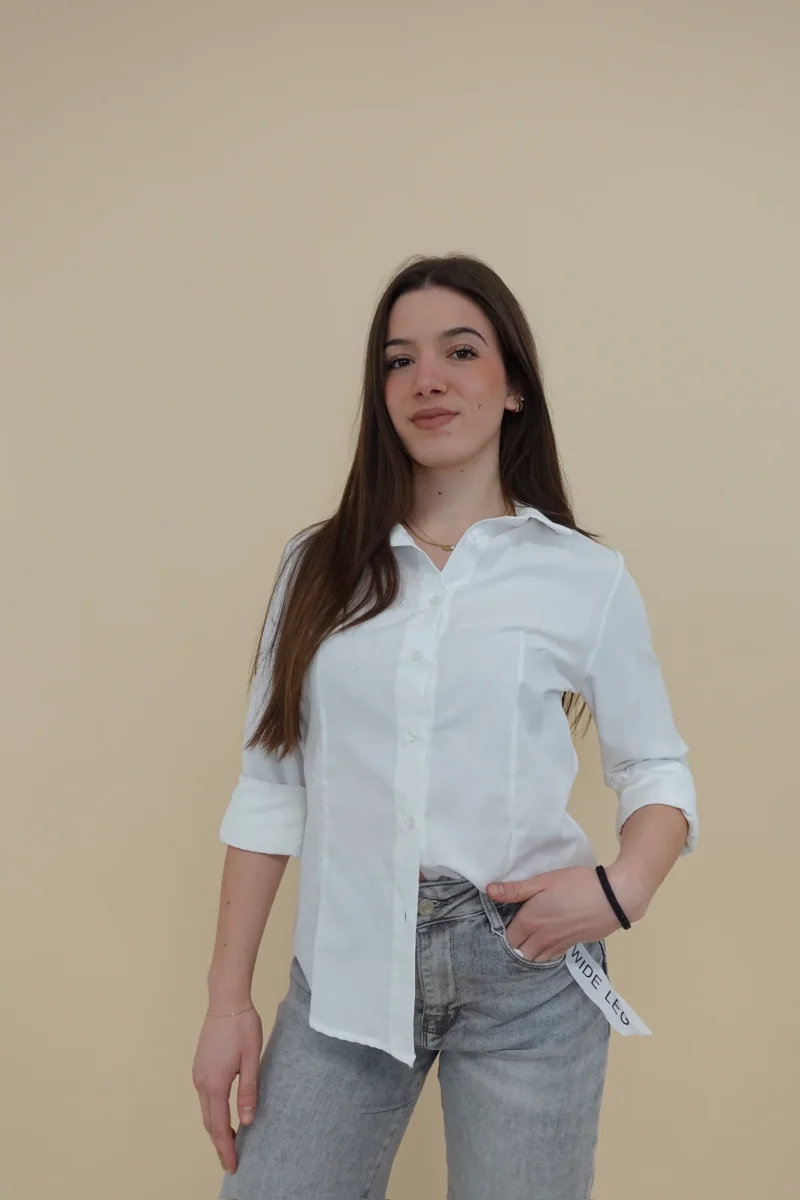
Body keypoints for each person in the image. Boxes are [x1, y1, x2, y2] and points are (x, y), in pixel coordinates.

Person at [192, 253, 698, 1200]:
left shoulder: (583, 577)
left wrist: (624, 888)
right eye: (399, 361)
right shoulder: (318, 568)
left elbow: (656, 768)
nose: (426, 379)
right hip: (344, 975)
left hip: (527, 978)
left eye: (460, 352)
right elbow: (269, 790)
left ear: (513, 387)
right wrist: (229, 1005)